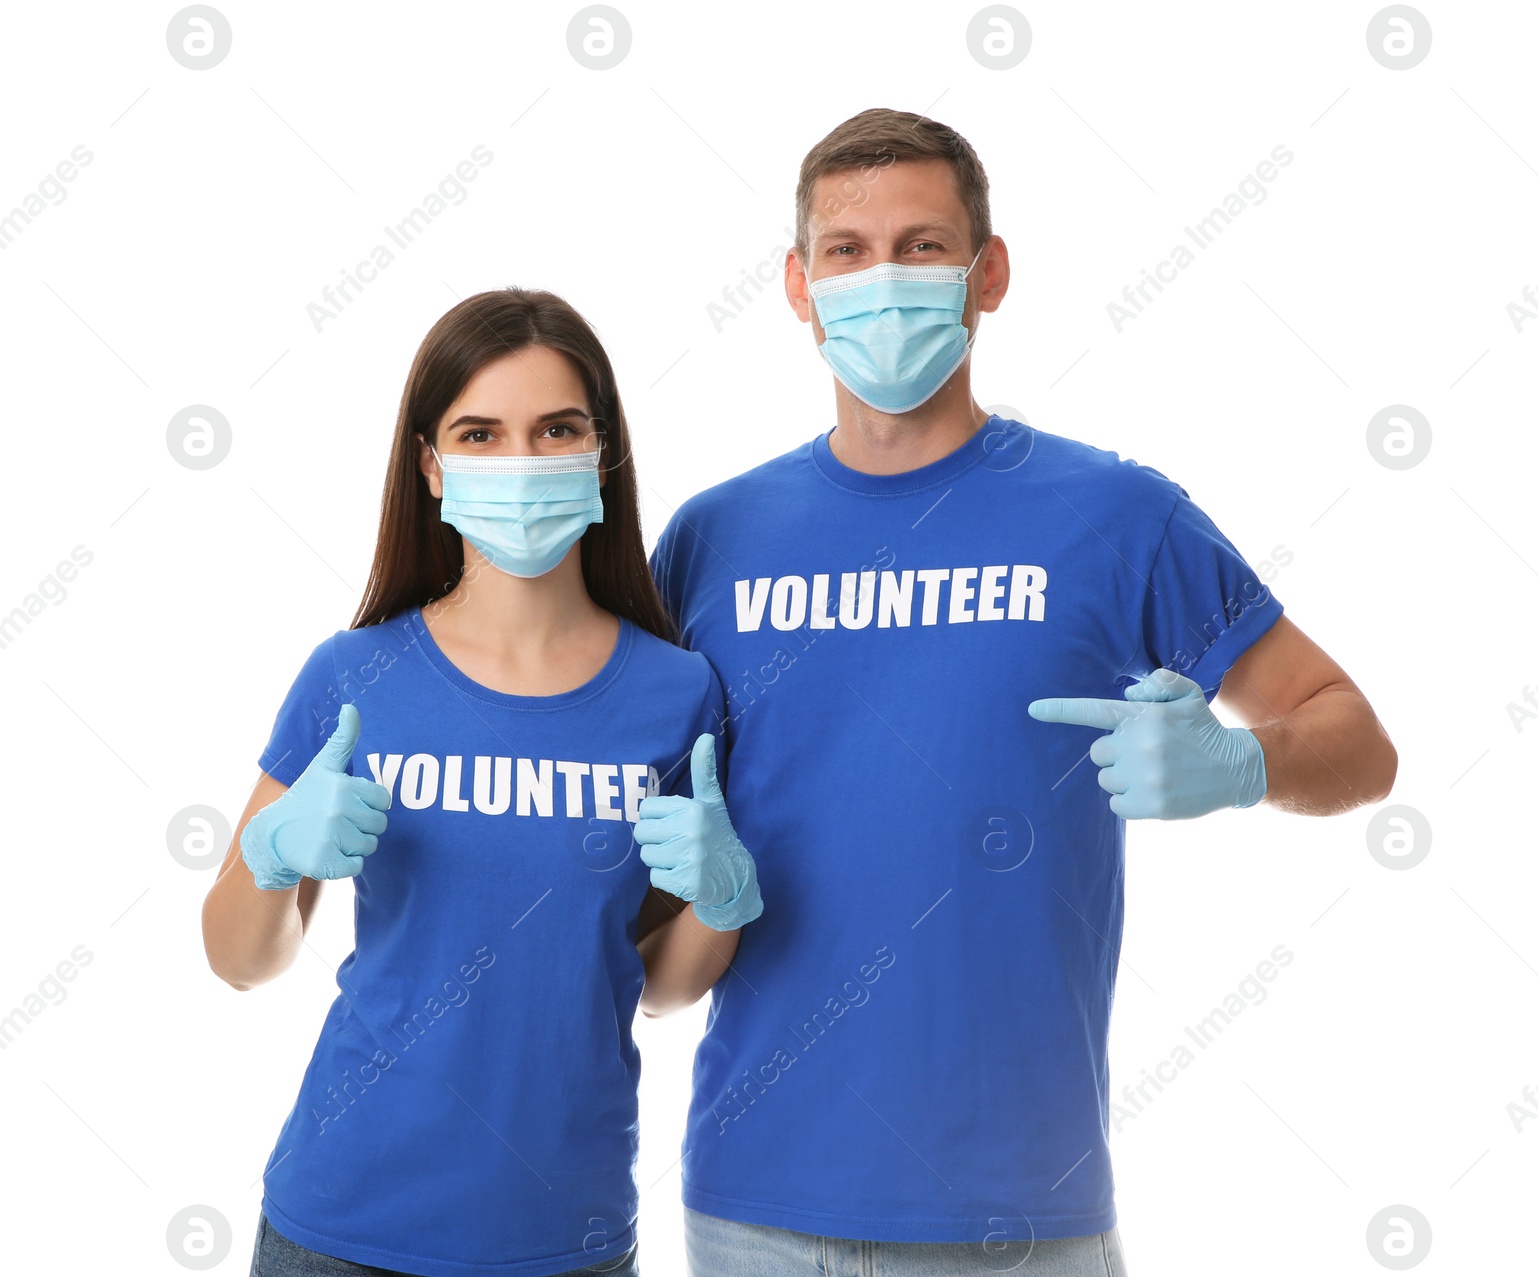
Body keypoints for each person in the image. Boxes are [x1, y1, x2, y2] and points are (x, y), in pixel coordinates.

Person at [649, 109, 1399, 1276]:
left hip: (1015, 1214)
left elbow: (1356, 738)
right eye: (846, 252)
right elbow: (637, 860)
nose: (882, 279)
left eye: (923, 245)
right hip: (753, 1204)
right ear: (797, 287)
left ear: (987, 273)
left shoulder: (1113, 515)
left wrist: (1244, 764)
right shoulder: (712, 539)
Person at [200, 288, 764, 1277]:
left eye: (556, 429)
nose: (522, 462)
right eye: (480, 432)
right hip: (342, 1222)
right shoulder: (353, 675)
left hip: (564, 1233)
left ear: (602, 450)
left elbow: (658, 988)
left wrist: (723, 898)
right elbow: (241, 960)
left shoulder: (676, 693)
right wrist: (273, 850)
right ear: (430, 462)